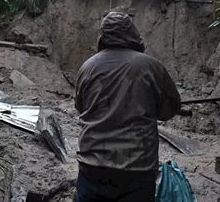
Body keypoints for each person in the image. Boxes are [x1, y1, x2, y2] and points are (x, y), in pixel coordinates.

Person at [74, 11, 181, 202]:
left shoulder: (87, 67)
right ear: (133, 34)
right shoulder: (151, 67)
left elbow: (81, 107)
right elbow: (169, 110)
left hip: (92, 165)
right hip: (137, 168)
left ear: (102, 36)